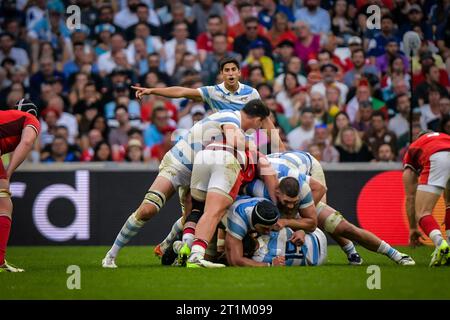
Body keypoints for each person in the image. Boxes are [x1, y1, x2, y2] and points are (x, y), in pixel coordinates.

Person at [102, 99, 271, 268]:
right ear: (257, 120)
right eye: (261, 124)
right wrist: (253, 148)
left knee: (192, 216)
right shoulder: (231, 117)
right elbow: (237, 142)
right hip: (178, 164)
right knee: (147, 210)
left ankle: (168, 246)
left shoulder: (238, 126)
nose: (258, 129)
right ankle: (111, 255)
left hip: (199, 169)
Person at [246, 153, 416, 266]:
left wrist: (299, 225)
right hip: (282, 165)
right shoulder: (256, 189)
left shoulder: (302, 185)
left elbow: (319, 194)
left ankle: (395, 254)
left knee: (338, 225)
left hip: (310, 166)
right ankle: (351, 251)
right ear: (275, 192)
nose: (290, 205)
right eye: (286, 202)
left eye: (293, 202)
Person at [132, 56, 285, 151]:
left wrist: (279, 150)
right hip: (224, 140)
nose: (230, 73)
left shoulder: (252, 93)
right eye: (227, 70)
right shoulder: (212, 91)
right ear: (222, 74)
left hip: (247, 141)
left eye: (233, 70)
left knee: (264, 142)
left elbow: (264, 122)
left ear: (239, 73)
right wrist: (152, 91)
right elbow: (182, 92)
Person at [0, 99, 40, 272]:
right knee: (4, 204)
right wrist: (8, 173)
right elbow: (27, 142)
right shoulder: (30, 119)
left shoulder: (6, 125)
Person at [403, 131, 450, 267]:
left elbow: (410, 198)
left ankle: (440, 244)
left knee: (423, 212)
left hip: (437, 157)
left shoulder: (414, 147)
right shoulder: (444, 137)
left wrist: (413, 228)